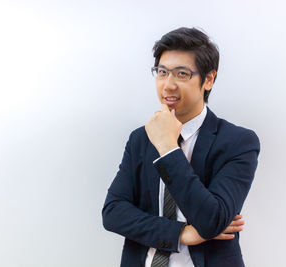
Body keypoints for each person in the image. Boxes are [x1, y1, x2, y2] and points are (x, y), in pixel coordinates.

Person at [102, 27, 260, 267]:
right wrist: (182, 233)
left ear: (208, 79)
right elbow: (113, 212)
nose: (168, 85)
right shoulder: (141, 139)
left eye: (182, 74)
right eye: (162, 72)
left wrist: (168, 148)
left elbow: (211, 220)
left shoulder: (238, 142)